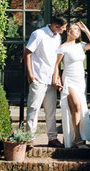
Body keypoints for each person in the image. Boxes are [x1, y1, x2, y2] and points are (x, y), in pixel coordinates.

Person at [53, 20, 90, 148]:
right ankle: (78, 140)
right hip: (69, 80)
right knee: (77, 106)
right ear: (68, 31)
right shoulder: (63, 48)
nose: (77, 32)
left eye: (78, 30)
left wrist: (86, 30)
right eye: (75, 29)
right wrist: (57, 79)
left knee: (77, 110)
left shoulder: (81, 45)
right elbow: (56, 65)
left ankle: (76, 138)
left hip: (80, 81)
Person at [23, 14, 67, 146]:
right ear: (56, 26)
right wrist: (30, 75)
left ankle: (52, 138)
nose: (65, 30)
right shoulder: (38, 34)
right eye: (63, 28)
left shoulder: (57, 37)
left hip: (51, 80)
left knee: (51, 110)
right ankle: (29, 138)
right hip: (38, 78)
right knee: (33, 108)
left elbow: (56, 60)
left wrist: (57, 76)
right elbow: (27, 53)